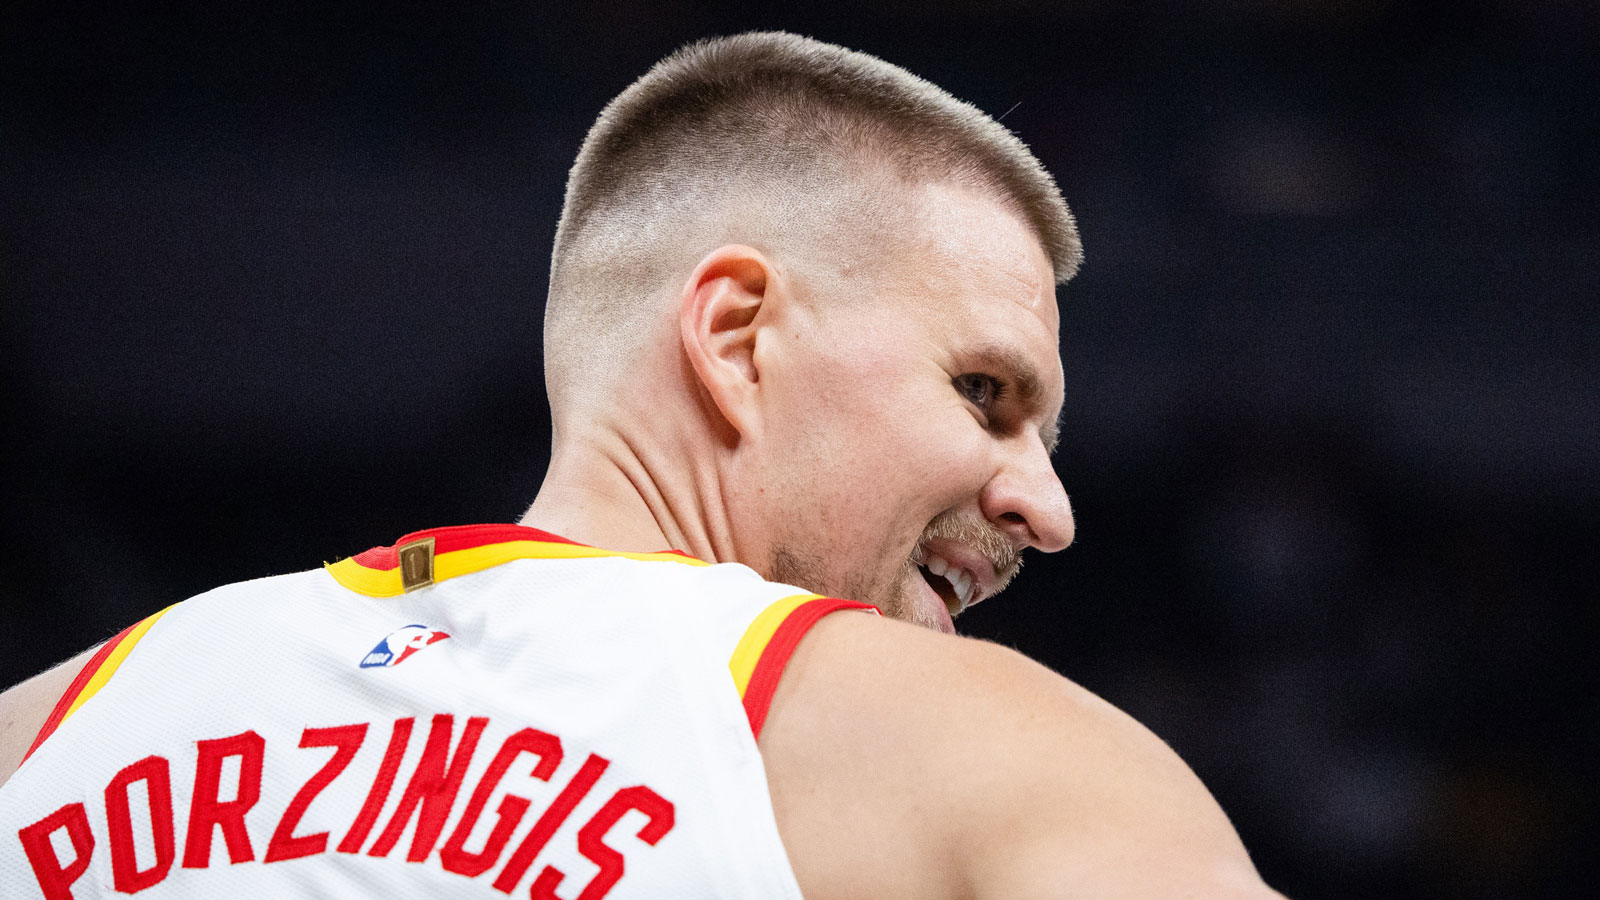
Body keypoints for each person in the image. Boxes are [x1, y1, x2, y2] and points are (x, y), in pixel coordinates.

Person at [0, 32, 1285, 899]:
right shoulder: (985, 752)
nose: (1044, 506)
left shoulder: (50, 729)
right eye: (985, 393)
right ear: (733, 337)